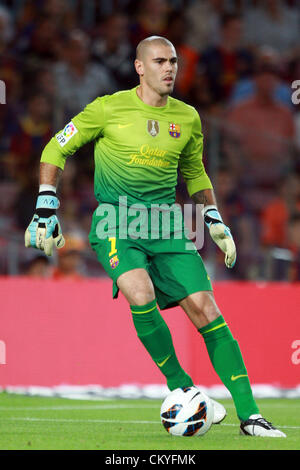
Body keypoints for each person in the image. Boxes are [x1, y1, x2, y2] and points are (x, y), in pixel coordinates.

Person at [24, 36, 285, 437]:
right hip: (116, 222)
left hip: (168, 225)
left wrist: (213, 218)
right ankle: (183, 387)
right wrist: (46, 205)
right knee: (140, 293)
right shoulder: (108, 108)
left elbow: (195, 172)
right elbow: (56, 148)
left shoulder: (189, 117)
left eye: (174, 61)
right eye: (160, 61)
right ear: (140, 67)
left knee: (206, 309)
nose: (169, 69)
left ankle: (251, 416)